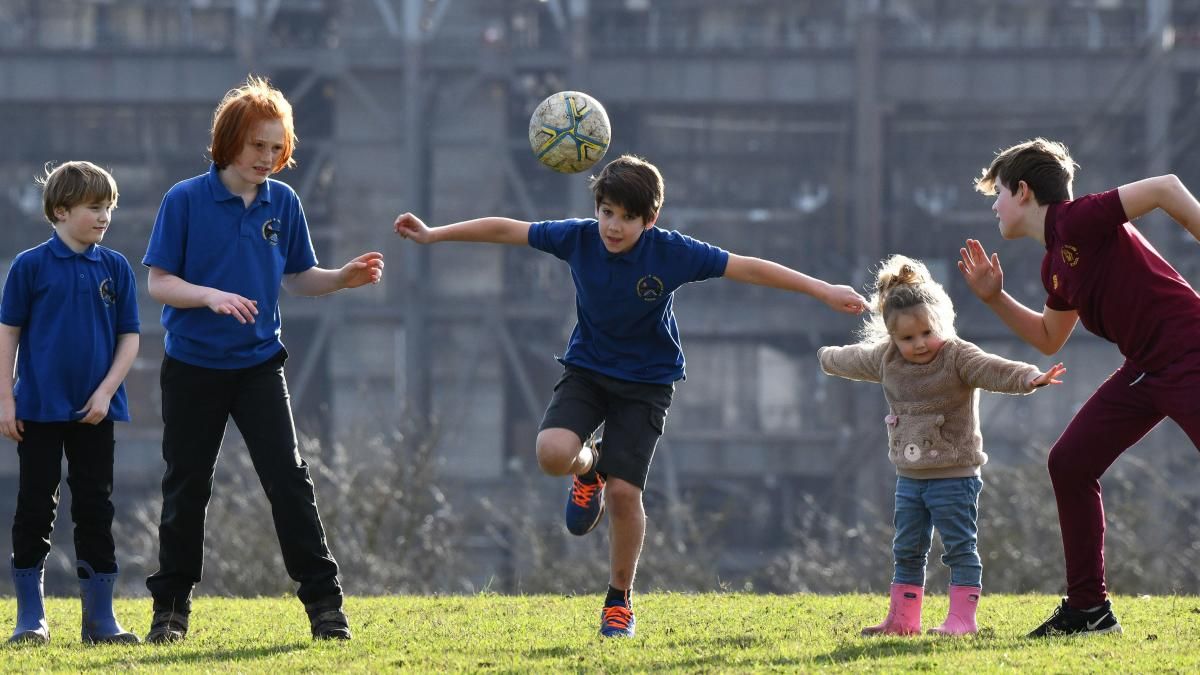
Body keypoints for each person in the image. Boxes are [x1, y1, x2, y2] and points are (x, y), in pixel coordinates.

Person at [393, 153, 867, 638]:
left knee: (624, 493)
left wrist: (823, 290)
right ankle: (589, 468)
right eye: (607, 212)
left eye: (627, 217)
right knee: (552, 454)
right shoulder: (577, 238)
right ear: (596, 208)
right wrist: (434, 234)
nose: (614, 226)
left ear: (650, 219)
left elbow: (749, 268)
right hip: (588, 370)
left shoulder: (672, 253)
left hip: (646, 383)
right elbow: (506, 229)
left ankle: (619, 600)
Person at [141, 76, 383, 643]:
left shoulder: (285, 202)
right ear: (229, 141)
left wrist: (341, 279)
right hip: (193, 366)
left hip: (258, 365)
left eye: (277, 148)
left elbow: (297, 277)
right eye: (257, 146)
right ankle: (170, 612)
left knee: (290, 480)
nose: (267, 158)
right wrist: (209, 296)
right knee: (186, 487)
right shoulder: (185, 200)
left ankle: (326, 609)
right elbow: (158, 282)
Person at [960, 137, 1200, 637]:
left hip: (1190, 355)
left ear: (1023, 191)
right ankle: (1088, 610)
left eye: (998, 193)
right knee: (1069, 462)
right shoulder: (1054, 264)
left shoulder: (1078, 218)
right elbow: (1049, 338)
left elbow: (1166, 187)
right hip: (1145, 370)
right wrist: (994, 298)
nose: (995, 207)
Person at [818, 254, 1065, 636]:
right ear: (892, 337)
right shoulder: (886, 358)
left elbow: (993, 368)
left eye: (926, 333)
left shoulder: (956, 355)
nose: (919, 344)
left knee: (959, 547)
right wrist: (825, 357)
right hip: (910, 477)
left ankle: (962, 620)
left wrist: (1030, 377)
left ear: (941, 322)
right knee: (907, 548)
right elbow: (852, 358)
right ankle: (903, 619)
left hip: (955, 474)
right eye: (907, 338)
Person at [0, 161, 140, 644]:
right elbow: (8, 334)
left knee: (96, 508)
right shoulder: (29, 266)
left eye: (109, 208)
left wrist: (105, 392)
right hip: (37, 409)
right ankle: (30, 619)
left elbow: (129, 338)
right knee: (34, 507)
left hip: (95, 412)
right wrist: (6, 399)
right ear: (60, 211)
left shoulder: (116, 267)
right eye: (94, 207)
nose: (104, 217)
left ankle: (100, 620)